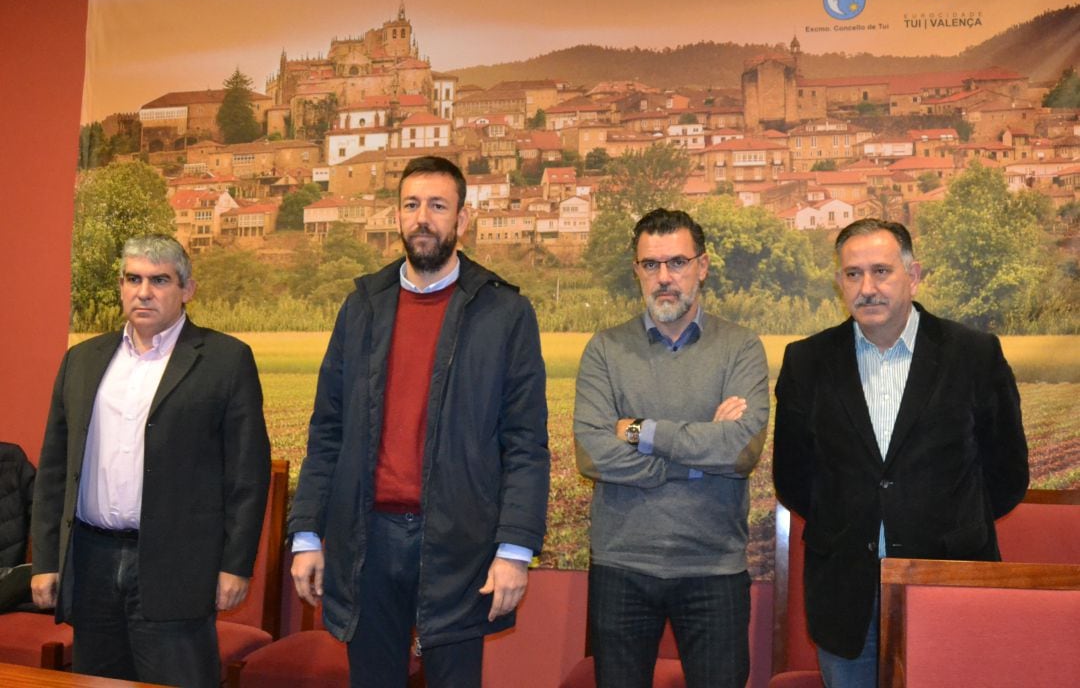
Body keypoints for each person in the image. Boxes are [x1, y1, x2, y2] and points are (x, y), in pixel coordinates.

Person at [288, 155, 549, 688]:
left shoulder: (504, 313)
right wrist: (307, 534)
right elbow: (328, 430)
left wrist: (515, 551)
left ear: (462, 220)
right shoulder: (361, 307)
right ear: (397, 215)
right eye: (411, 205)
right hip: (368, 539)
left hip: (460, 542)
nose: (422, 218)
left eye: (437, 205)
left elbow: (526, 444)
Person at [773, 218, 1028, 688]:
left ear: (913, 276)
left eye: (881, 271)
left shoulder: (973, 354)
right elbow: (793, 477)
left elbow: (1008, 473)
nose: (866, 287)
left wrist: (945, 525)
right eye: (852, 274)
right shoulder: (807, 361)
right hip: (846, 593)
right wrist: (854, 523)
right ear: (838, 282)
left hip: (949, 581)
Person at [31, 235, 271, 688]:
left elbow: (247, 475)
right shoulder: (82, 360)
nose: (144, 291)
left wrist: (235, 565)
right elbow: (54, 471)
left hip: (176, 566)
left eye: (159, 280)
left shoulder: (225, 360)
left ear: (187, 290)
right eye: (133, 279)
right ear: (121, 286)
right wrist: (46, 559)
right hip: (92, 561)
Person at [574, 208, 769, 688]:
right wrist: (699, 460)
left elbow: (742, 452)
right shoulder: (605, 350)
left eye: (677, 262)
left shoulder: (741, 348)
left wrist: (642, 432)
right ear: (637, 270)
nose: (664, 278)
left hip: (713, 567)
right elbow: (591, 453)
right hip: (622, 567)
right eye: (651, 265)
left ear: (702, 266)